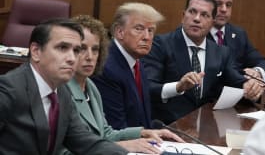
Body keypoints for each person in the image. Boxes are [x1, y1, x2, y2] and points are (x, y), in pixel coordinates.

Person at [0, 18, 128, 154]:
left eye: (76, 50)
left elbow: (86, 142)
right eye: (62, 48)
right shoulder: (8, 90)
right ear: (36, 51)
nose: (72, 58)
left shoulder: (62, 93)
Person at [61, 15, 184, 154]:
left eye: (95, 49)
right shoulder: (60, 91)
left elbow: (106, 134)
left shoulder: (90, 86)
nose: (90, 57)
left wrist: (143, 133)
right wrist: (122, 146)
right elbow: (61, 151)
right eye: (82, 49)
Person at [142, 0, 264, 125]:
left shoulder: (221, 52)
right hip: (166, 127)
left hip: (205, 129)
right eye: (192, 12)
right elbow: (148, 88)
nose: (196, 19)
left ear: (212, 22)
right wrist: (178, 87)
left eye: (204, 15)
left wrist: (250, 87)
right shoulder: (160, 44)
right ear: (183, 16)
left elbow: (236, 81)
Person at [92, 2, 165, 129]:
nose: (147, 37)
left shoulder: (136, 61)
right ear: (119, 32)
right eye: (139, 29)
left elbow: (141, 118)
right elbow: (116, 127)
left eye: (151, 30)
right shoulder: (107, 68)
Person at [201, 0, 265, 82]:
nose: (224, 9)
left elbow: (262, 62)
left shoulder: (238, 34)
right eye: (218, 4)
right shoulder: (196, 33)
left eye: (228, 5)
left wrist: (256, 72)